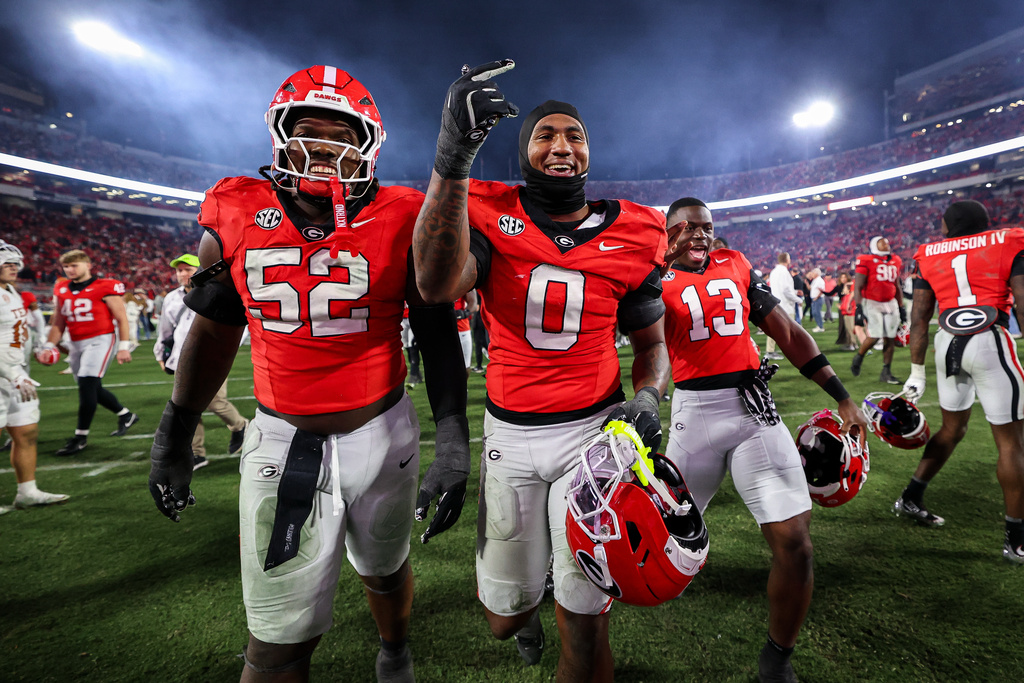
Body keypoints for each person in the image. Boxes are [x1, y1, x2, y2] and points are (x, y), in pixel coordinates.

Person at [146, 65, 469, 683]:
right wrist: (175, 427)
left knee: (385, 566)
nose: (324, 146)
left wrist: (452, 434)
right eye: (309, 130)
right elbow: (214, 328)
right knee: (274, 641)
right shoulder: (237, 207)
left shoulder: (406, 212)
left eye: (341, 133)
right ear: (279, 134)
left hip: (384, 431)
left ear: (368, 143)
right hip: (281, 436)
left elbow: (435, 332)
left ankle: (394, 650)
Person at [413, 61, 671, 681]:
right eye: (544, 135)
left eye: (574, 135)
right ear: (524, 150)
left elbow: (652, 343)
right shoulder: (485, 210)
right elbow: (435, 283)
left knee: (585, 627)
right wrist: (452, 161)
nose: (561, 145)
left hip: (595, 434)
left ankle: (563, 579)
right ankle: (534, 591)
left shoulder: (638, 230)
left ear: (589, 150)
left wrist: (649, 396)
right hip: (513, 436)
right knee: (505, 615)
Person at [659, 198, 865, 683]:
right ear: (665, 233)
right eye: (684, 227)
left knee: (796, 544)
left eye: (706, 227)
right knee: (658, 539)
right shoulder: (649, 274)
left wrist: (841, 395)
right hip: (693, 416)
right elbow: (649, 349)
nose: (698, 234)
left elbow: (788, 333)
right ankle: (561, 584)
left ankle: (776, 658)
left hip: (755, 411)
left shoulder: (735, 264)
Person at [897, 200, 1024, 564]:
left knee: (952, 430)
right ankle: (1016, 540)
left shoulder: (928, 253)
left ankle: (911, 496)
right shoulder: (1008, 240)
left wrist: (917, 371)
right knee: (1012, 444)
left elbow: (919, 317)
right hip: (988, 338)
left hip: (945, 342)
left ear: (949, 225)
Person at [153, 253, 249, 470]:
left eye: (188, 269)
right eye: (179, 270)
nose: (183, 274)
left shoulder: (215, 291)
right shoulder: (171, 298)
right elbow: (165, 330)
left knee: (215, 401)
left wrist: (227, 348)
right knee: (185, 404)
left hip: (212, 353)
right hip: (182, 357)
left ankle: (241, 426)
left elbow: (237, 326)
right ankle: (196, 453)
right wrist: (161, 354)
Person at [44, 250, 137, 456]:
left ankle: (80, 437)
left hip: (100, 339)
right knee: (91, 388)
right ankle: (126, 414)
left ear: (88, 265)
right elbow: (58, 321)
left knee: (86, 386)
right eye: (66, 266)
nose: (70, 270)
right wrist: (49, 345)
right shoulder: (61, 288)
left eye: (74, 265)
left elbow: (121, 318)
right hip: (76, 342)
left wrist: (123, 347)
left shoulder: (105, 286)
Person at [0, 241, 69, 514]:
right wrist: (13, 373)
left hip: (18, 375)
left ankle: (27, 492)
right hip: (8, 375)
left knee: (26, 430)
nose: (13, 268)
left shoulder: (12, 292)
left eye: (15, 263)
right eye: (6, 264)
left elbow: (14, 334)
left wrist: (38, 347)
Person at [850, 236, 904, 384]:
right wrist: (859, 307)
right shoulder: (866, 260)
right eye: (883, 243)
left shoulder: (895, 260)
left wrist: (901, 306)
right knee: (876, 335)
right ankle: (859, 356)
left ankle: (886, 371)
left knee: (890, 337)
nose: (887, 245)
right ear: (875, 245)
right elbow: (859, 286)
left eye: (887, 242)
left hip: (890, 301)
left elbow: (897, 285)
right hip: (871, 301)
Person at [765, 253, 801, 360]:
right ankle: (792, 351)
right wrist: (798, 299)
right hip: (785, 305)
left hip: (775, 304)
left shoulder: (774, 272)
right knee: (790, 329)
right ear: (787, 260)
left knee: (774, 329)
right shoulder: (784, 272)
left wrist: (794, 292)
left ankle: (770, 351)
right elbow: (786, 291)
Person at [807, 267, 825, 332]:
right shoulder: (815, 280)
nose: (812, 274)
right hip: (814, 299)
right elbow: (811, 288)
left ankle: (821, 327)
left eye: (813, 273)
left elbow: (822, 290)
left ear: (817, 273)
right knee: (814, 313)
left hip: (818, 299)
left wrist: (816, 297)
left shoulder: (820, 280)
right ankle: (818, 325)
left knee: (817, 312)